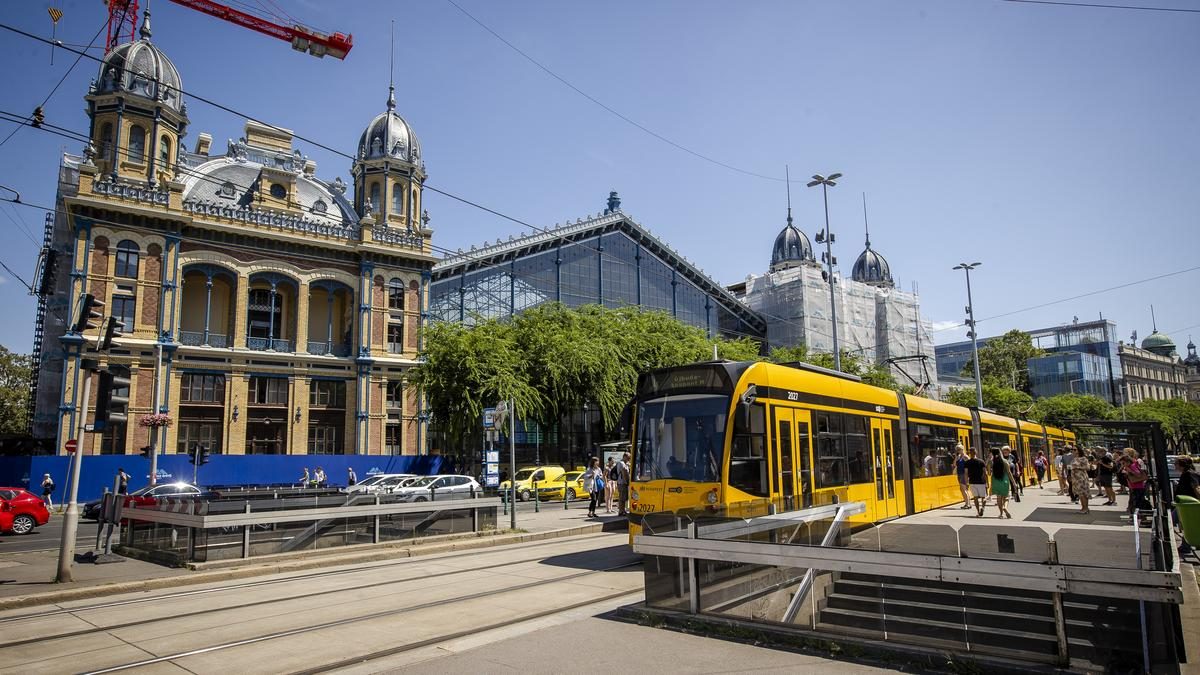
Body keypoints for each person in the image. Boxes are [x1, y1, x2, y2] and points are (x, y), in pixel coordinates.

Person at [1122, 448, 1150, 515]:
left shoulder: (1134, 463)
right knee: (1135, 501)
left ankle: (1138, 516)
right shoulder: (1132, 464)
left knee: (1137, 502)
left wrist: (1129, 471)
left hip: (1138, 486)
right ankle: (1135, 514)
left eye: (1125, 453)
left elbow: (1138, 474)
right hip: (1133, 485)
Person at [989, 449, 1013, 519]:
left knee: (998, 498)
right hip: (1004, 481)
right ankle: (1005, 507)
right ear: (1000, 453)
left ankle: (1001, 513)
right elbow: (1009, 473)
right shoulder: (1005, 461)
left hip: (996, 481)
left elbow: (989, 472)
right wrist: (1014, 483)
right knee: (1006, 497)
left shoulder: (992, 462)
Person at [964, 448, 989, 517]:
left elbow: (966, 473)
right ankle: (982, 508)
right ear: (976, 452)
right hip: (981, 482)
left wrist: (967, 483)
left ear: (969, 453)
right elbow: (985, 473)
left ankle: (978, 512)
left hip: (972, 482)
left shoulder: (967, 462)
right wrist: (987, 482)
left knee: (975, 497)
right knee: (983, 497)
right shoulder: (981, 461)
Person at [1070, 446, 1091, 515]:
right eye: (1072, 449)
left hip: (1081, 478)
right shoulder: (1074, 458)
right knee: (1080, 494)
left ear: (1079, 450)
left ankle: (1085, 508)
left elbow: (1088, 468)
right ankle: (1084, 508)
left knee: (1083, 493)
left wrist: (1078, 467)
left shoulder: (1083, 458)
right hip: (1075, 478)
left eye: (1074, 449)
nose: (1073, 451)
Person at [954, 445, 971, 509]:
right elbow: (954, 464)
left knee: (964, 489)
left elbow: (970, 465)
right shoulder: (958, 457)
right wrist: (956, 457)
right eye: (957, 450)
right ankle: (967, 503)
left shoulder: (965, 457)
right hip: (959, 474)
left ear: (962, 449)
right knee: (962, 489)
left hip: (964, 474)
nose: (958, 451)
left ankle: (968, 504)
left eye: (959, 449)